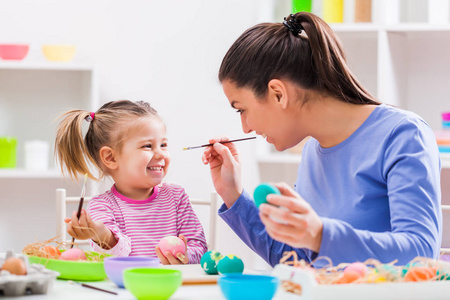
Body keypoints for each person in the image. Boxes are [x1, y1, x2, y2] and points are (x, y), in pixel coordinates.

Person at [202, 12, 442, 268]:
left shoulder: (403, 135)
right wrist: (233, 195)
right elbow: (296, 261)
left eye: (242, 109)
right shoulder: (312, 153)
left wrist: (320, 235)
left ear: (278, 94)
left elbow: (421, 252)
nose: (245, 127)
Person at [55, 100, 207, 264]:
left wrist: (184, 255)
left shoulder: (176, 197)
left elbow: (200, 248)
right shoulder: (102, 206)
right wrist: (102, 234)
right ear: (110, 158)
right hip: (125, 288)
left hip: (173, 286)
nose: (161, 154)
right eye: (148, 146)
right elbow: (117, 256)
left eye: (163, 144)